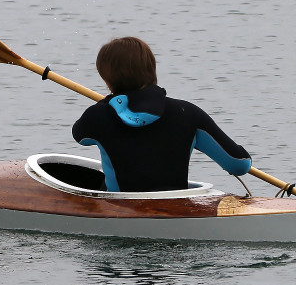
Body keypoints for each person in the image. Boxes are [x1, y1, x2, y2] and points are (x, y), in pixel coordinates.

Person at [72, 37, 252, 192]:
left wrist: (106, 103)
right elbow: (239, 164)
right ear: (151, 70)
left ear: (108, 79)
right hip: (173, 210)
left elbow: (79, 136)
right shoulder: (187, 112)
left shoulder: (98, 115)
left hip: (121, 210)